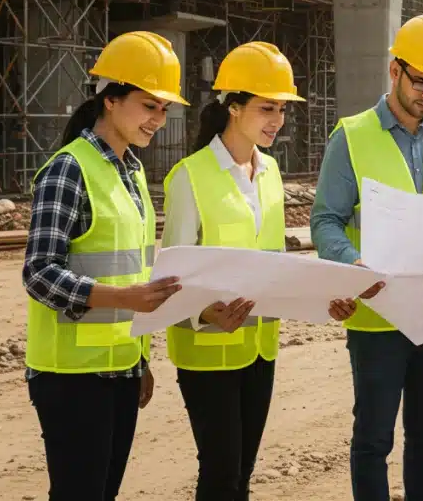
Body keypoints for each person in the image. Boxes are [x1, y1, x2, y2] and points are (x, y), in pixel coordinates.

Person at [310, 13, 423, 501]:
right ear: (394, 71)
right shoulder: (352, 137)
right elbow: (325, 221)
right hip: (377, 319)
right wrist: (353, 264)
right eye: (420, 81)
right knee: (373, 441)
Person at [22, 30, 188, 501]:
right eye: (148, 105)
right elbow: (39, 272)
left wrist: (139, 361)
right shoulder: (68, 169)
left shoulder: (132, 171)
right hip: (71, 377)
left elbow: (132, 272)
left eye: (164, 109)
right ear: (110, 100)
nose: (158, 119)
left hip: (119, 370)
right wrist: (123, 300)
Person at [160, 41, 305, 501]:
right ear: (234, 107)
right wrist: (205, 315)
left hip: (260, 346)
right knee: (220, 474)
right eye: (267, 108)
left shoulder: (272, 172)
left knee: (241, 473)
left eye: (281, 109)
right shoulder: (190, 176)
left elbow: (274, 260)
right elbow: (171, 277)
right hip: (206, 351)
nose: (277, 120)